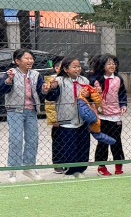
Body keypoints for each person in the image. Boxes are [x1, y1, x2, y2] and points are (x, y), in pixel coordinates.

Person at [44, 56, 92, 177]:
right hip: (66, 120)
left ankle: (81, 169)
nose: (78, 69)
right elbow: (51, 98)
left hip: (83, 119)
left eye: (79, 66)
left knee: (83, 146)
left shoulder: (85, 81)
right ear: (65, 69)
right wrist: (52, 89)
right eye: (74, 67)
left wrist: (89, 95)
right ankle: (71, 170)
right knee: (69, 147)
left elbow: (91, 98)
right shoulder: (59, 81)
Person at [2, 49, 44, 181]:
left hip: (31, 110)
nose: (30, 61)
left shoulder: (36, 74)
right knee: (16, 139)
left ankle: (29, 167)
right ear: (17, 61)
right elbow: (2, 89)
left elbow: (41, 92)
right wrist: (9, 80)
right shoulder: (11, 73)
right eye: (27, 58)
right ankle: (12, 170)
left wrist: (46, 89)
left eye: (31, 58)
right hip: (15, 110)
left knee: (32, 139)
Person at [90, 54, 127, 176]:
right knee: (103, 142)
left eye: (114, 63)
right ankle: (101, 166)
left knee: (117, 141)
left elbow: (122, 94)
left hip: (115, 115)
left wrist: (123, 105)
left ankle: (118, 164)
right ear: (102, 65)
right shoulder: (95, 80)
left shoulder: (118, 79)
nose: (112, 66)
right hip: (102, 116)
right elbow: (89, 96)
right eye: (109, 63)